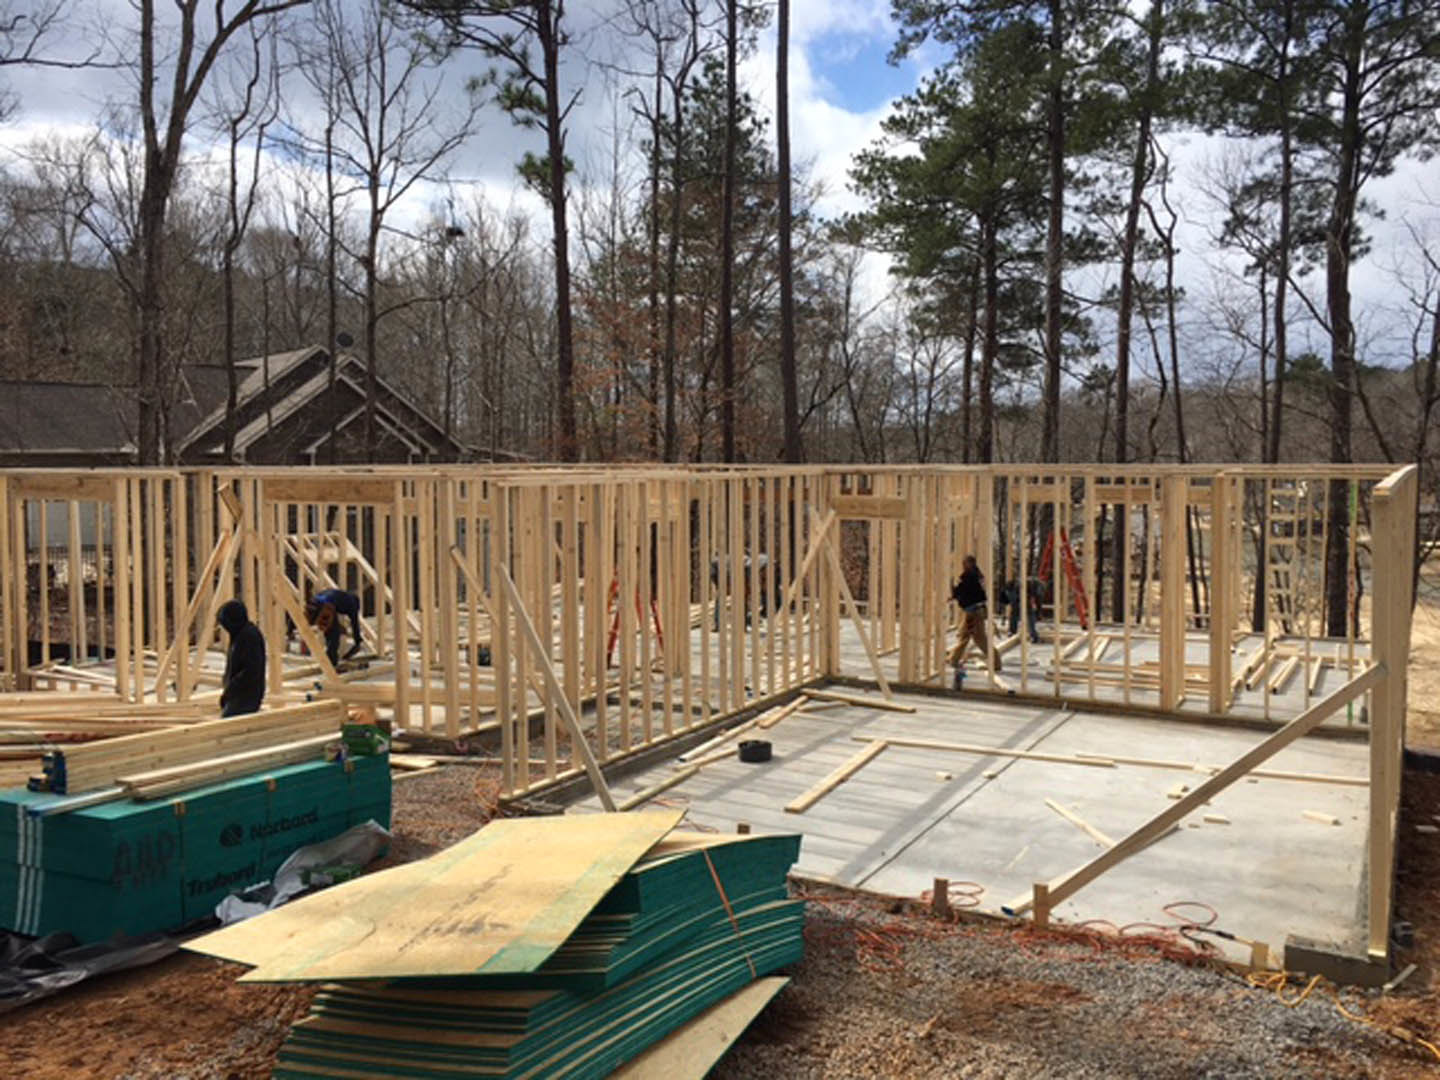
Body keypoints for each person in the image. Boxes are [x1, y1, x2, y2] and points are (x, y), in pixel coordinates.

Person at [948, 555, 999, 681]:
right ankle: (953, 659)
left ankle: (996, 662)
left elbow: (963, 590)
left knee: (979, 638)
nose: (963, 565)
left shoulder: (970, 576)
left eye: (964, 563)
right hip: (974, 610)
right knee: (964, 635)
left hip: (974, 612)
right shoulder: (976, 575)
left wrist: (954, 593)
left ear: (970, 564)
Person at [218, 599, 266, 717]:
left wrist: (230, 689)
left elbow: (250, 671)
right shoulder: (239, 634)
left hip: (247, 697)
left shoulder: (249, 637)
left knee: (229, 725)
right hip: (238, 695)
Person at [305, 588, 364, 667]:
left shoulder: (342, 595)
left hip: (315, 601)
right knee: (334, 634)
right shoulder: (352, 605)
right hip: (327, 605)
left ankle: (290, 629)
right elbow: (355, 624)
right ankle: (331, 664)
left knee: (327, 630)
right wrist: (357, 641)